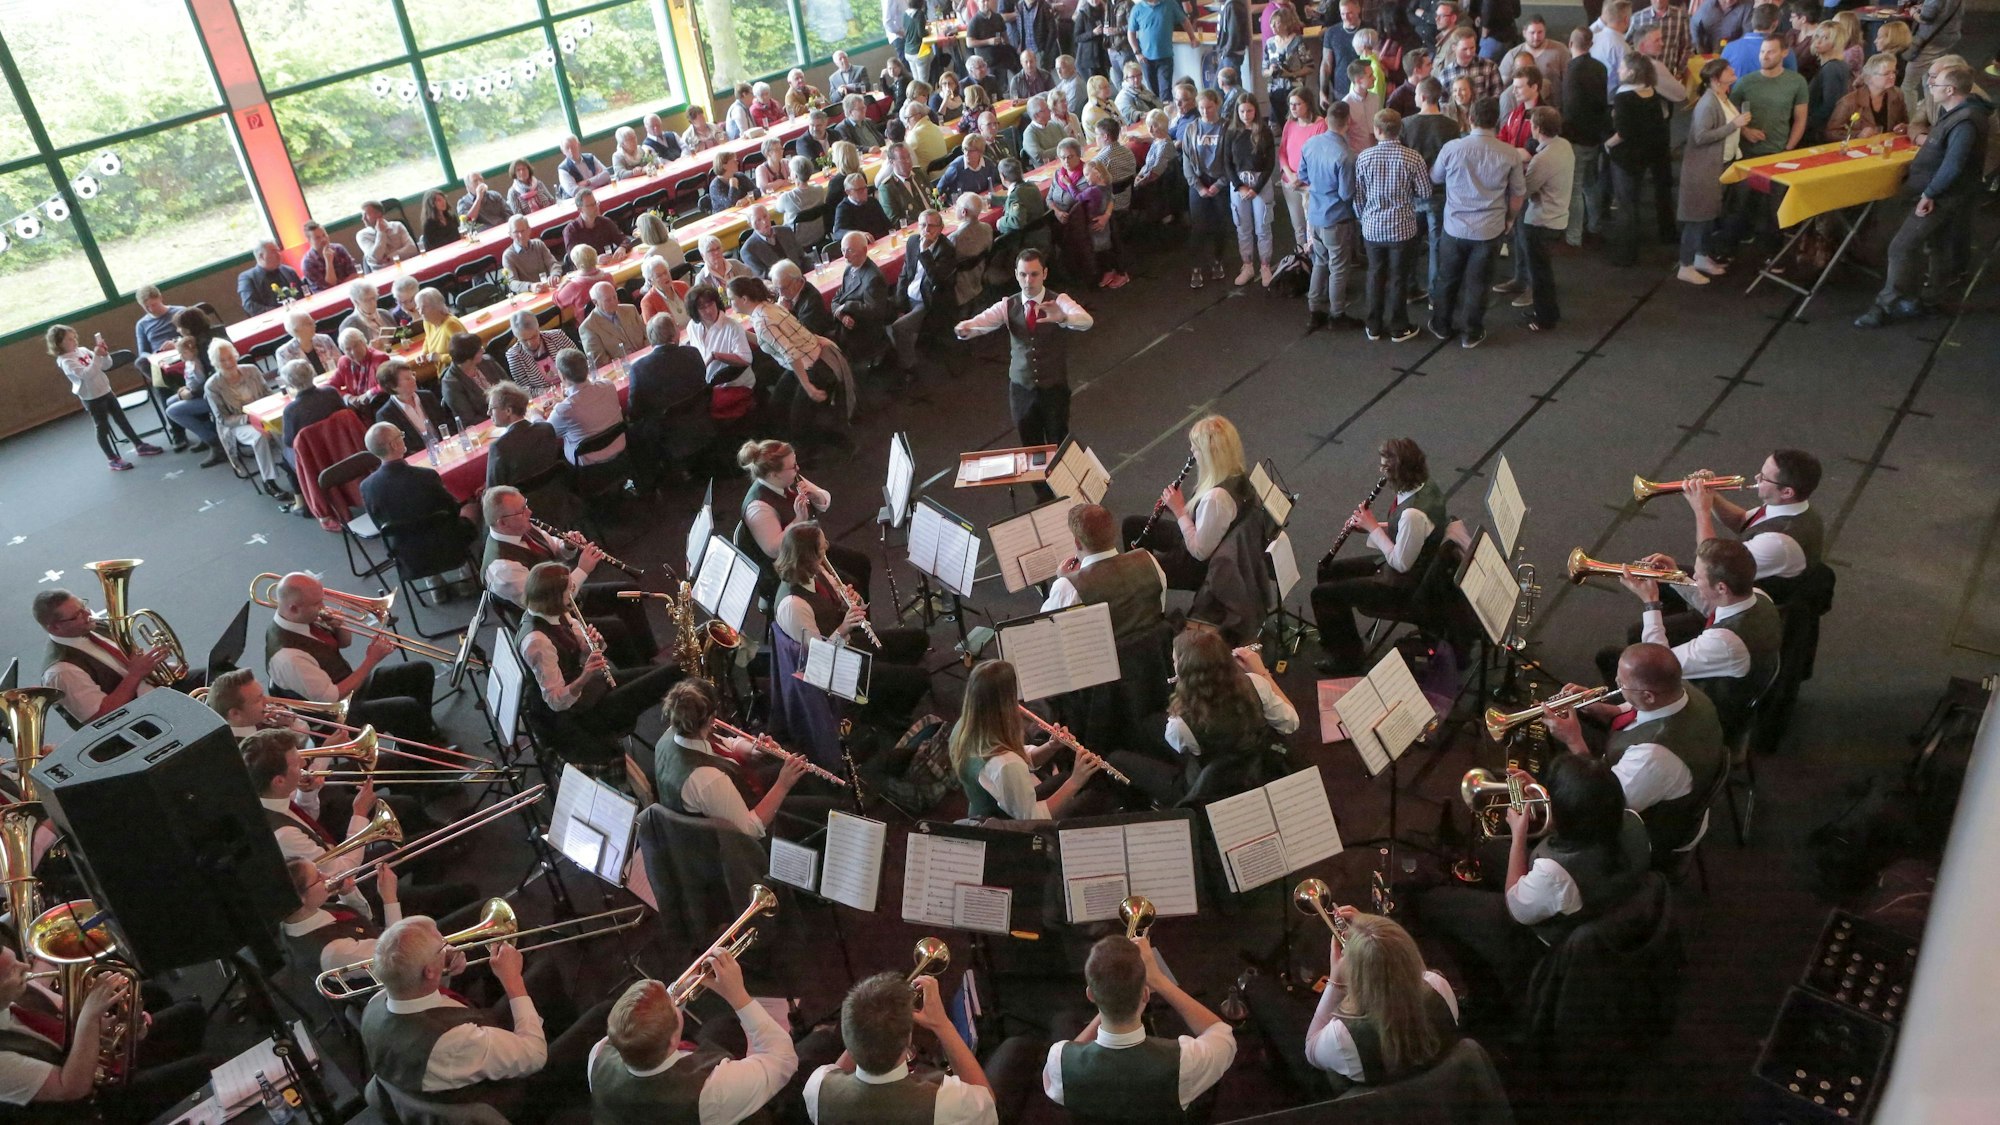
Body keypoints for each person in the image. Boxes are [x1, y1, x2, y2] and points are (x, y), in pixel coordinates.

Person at [1420, 752, 1652, 1007]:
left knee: (1432, 904)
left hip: (1540, 942)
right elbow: (1587, 830)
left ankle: (1483, 999)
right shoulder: (1632, 820)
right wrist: (1548, 797)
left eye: (1552, 799)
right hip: (1593, 897)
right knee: (1487, 853)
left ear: (1569, 817)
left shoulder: (1556, 872)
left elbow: (1514, 906)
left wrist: (1518, 835)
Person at [362, 914, 607, 1122]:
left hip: (453, 1058)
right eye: (442, 947)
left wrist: (444, 972)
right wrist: (513, 982)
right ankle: (573, 1087)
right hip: (515, 1093)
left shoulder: (376, 1004)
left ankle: (567, 1050)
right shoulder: (452, 1041)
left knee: (544, 973)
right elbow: (535, 1056)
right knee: (604, 1012)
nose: (448, 947)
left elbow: (427, 995)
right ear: (428, 972)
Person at [0, 933, 211, 1124]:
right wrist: (91, 1016)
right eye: (12, 971)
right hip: (93, 1107)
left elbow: (63, 1018)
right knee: (208, 1068)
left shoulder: (12, 996)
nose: (25, 967)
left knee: (190, 1015)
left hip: (92, 1065)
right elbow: (72, 1087)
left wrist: (115, 1022)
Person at [1246, 908, 1459, 1093]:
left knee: (1258, 989)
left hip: (1378, 1104)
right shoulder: (1439, 985)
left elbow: (1311, 1049)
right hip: (1437, 1083)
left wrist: (1336, 981)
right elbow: (1415, 973)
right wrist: (1369, 932)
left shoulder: (1342, 1036)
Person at [1549, 643, 1726, 858]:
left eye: (1621, 684)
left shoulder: (1652, 758)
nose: (1616, 686)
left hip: (1651, 831)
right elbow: (1638, 712)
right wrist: (1604, 709)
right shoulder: (1682, 690)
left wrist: (1573, 740)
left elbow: (1600, 801)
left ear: (1649, 696)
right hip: (1663, 777)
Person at [1042, 935, 1237, 1118]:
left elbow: (1050, 1079)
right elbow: (1222, 1034)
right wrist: (1160, 981)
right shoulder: (1184, 1061)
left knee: (1062, 1021)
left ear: (1091, 995)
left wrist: (1108, 1004)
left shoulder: (1059, 1060)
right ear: (1145, 994)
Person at [772, 521, 933, 743]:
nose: (827, 547)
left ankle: (882, 693)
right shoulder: (793, 605)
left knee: (918, 640)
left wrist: (849, 601)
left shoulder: (815, 570)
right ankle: (882, 716)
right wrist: (844, 627)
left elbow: (833, 605)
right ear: (808, 556)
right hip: (835, 669)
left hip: (847, 644)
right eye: (821, 548)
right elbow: (818, 661)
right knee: (920, 680)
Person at [1603, 537, 1781, 734]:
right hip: (1738, 670)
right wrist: (1674, 576)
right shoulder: (1758, 595)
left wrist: (1651, 602)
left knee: (1610, 658)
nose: (1693, 576)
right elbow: (1711, 606)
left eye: (1698, 576)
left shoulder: (1725, 642)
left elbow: (1658, 666)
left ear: (1722, 587)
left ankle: (1628, 714)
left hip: (1714, 712)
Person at [1856, 62, 1987, 327]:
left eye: (1936, 82)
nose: (1931, 85)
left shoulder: (1964, 121)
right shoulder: (1963, 113)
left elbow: (1954, 165)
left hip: (1941, 196)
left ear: (1950, 90)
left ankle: (1885, 305)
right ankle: (1928, 300)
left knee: (1901, 246)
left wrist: (1929, 194)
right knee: (1939, 247)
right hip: (1950, 194)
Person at [589, 964, 796, 1125]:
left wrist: (678, 991)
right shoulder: (711, 1091)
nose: (672, 1000)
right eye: (672, 1004)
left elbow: (643, 1022)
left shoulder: (599, 1055)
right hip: (705, 1108)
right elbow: (784, 1060)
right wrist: (738, 996)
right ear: (673, 1041)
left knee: (723, 1027)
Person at [1310, 437, 1447, 673]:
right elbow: (1406, 533)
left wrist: (1373, 527)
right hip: (1403, 565)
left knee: (1322, 595)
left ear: (1399, 472)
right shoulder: (1426, 486)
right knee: (1329, 572)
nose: (1380, 470)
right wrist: (1372, 525)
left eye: (1385, 467)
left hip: (1401, 587)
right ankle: (1339, 637)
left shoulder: (1413, 513)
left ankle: (1347, 659)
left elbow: (1401, 563)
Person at [516, 561, 681, 747]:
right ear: (554, 598)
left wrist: (594, 644)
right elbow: (555, 701)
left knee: (667, 672)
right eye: (568, 589)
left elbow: (585, 644)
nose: (574, 589)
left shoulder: (555, 612)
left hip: (592, 690)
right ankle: (688, 730)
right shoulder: (536, 642)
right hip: (580, 715)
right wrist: (585, 676)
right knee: (672, 674)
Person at [802, 972, 1002, 1124]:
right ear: (909, 1039)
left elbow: (840, 1066)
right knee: (1015, 1049)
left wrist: (865, 1024)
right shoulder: (946, 1103)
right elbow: (986, 1101)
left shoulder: (817, 1088)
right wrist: (941, 1024)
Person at [264, 570, 439, 741]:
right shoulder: (288, 657)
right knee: (405, 708)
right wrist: (371, 660)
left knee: (420, 671)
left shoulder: (300, 617)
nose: (323, 608)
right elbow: (332, 697)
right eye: (317, 603)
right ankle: (426, 760)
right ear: (294, 608)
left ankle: (423, 735)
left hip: (347, 688)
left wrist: (340, 625)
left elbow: (343, 643)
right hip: (333, 718)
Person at [955, 250, 1092, 448]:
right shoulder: (1008, 305)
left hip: (1053, 388)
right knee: (1031, 447)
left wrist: (1064, 318)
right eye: (1023, 275)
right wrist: (965, 329)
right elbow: (982, 322)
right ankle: (1039, 481)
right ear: (1016, 274)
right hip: (1021, 391)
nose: (1028, 281)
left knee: (1059, 443)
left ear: (1045, 274)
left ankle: (1061, 480)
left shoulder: (1059, 300)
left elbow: (1086, 321)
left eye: (1034, 274)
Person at [652, 679, 811, 837]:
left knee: (799, 770)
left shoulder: (676, 731)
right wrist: (783, 784)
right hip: (742, 838)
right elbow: (750, 830)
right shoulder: (707, 779)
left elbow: (725, 744)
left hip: (735, 786)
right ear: (710, 720)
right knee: (824, 807)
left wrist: (753, 750)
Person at [1427, 96, 1523, 348]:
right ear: (1498, 122)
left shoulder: (1452, 148)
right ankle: (1471, 332)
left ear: (1470, 119)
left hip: (1455, 226)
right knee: (1479, 284)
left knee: (1447, 279)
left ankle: (1441, 325)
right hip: (1489, 229)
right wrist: (1510, 220)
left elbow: (1435, 177)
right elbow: (1518, 193)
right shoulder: (1510, 154)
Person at [950, 660, 1101, 819]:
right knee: (1096, 795)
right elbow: (1032, 817)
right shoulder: (1006, 763)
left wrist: (1051, 746)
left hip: (993, 803)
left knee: (1064, 777)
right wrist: (1075, 782)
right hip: (1004, 823)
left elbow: (1020, 757)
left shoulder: (964, 728)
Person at [1123, 414, 1250, 591]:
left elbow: (1200, 551)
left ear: (1209, 454)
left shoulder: (1216, 498)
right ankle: (1148, 591)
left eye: (1196, 447)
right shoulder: (1237, 476)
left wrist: (1180, 510)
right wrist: (1178, 508)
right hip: (1202, 537)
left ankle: (1143, 595)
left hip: (1197, 566)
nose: (1191, 450)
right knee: (1131, 525)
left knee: (1135, 572)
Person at [31, 586, 176, 725]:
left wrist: (157, 668)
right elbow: (100, 717)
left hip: (156, 690)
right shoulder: (62, 671)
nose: (88, 614)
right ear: (56, 627)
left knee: (199, 681)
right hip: (140, 718)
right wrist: (135, 674)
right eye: (77, 615)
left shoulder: (93, 627)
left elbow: (128, 662)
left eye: (83, 606)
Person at [1352, 108, 1433, 341]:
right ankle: (1399, 326)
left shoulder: (1364, 157)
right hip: (1402, 229)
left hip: (1373, 227)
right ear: (1400, 130)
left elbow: (1358, 196)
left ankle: (1373, 325)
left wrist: (1363, 218)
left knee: (1375, 275)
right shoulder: (1413, 157)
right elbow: (1425, 192)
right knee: (1399, 277)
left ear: (1377, 131)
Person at [1678, 59, 1752, 286]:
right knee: (1698, 217)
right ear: (1715, 78)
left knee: (1709, 215)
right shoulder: (1708, 103)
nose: (1733, 71)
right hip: (1704, 169)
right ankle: (1685, 264)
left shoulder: (1722, 97)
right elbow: (1700, 136)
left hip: (1721, 164)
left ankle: (1700, 256)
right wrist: (1734, 125)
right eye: (1728, 70)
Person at [48, 324, 162, 471]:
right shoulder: (66, 361)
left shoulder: (82, 350)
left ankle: (139, 444)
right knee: (102, 427)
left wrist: (104, 354)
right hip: (92, 397)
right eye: (69, 339)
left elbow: (106, 365)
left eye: (74, 337)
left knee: (121, 419)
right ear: (59, 344)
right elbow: (87, 375)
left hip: (105, 390)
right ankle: (112, 458)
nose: (74, 341)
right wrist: (96, 355)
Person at [205, 340, 293, 504]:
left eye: (230, 357)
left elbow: (268, 394)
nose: (229, 362)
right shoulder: (212, 386)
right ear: (216, 363)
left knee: (281, 428)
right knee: (258, 437)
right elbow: (223, 419)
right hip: (237, 424)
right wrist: (250, 418)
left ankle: (294, 467)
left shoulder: (251, 370)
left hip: (263, 415)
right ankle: (269, 481)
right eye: (223, 360)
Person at [1300, 105, 1361, 330]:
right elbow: (1346, 194)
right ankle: (1337, 314)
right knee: (1338, 267)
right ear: (1348, 122)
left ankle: (1314, 309)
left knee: (1320, 261)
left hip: (1315, 214)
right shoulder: (1346, 155)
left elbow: (1303, 175)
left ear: (1326, 119)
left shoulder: (1310, 144)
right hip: (1336, 218)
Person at [1514, 107, 1572, 331]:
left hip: (1540, 221)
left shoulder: (1542, 159)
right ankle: (1545, 310)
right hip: (1558, 217)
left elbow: (1525, 190)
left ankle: (1545, 318)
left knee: (1539, 273)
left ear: (1536, 128)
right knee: (1544, 270)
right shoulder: (1564, 146)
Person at [888, 208, 960, 376]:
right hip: (909, 294)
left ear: (941, 228)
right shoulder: (913, 241)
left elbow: (937, 280)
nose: (926, 230)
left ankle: (909, 367)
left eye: (931, 226)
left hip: (929, 300)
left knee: (899, 328)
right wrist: (899, 304)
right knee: (882, 314)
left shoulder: (946, 249)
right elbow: (905, 274)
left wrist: (926, 252)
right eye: (922, 225)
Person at [1561, 28, 1611, 249]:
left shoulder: (1573, 70)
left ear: (1571, 42)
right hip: (1595, 136)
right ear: (1590, 44)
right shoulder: (1600, 68)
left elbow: (1570, 108)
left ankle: (1574, 237)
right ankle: (1595, 226)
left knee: (1575, 188)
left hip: (1577, 138)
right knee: (1591, 185)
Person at [1224, 95, 1280, 288]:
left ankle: (1265, 265)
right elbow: (1227, 162)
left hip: (1260, 183)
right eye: (1242, 111)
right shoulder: (1231, 132)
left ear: (1255, 110)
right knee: (1242, 227)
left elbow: (1270, 163)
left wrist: (1256, 188)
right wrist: (1239, 186)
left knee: (1263, 226)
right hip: (1239, 183)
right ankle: (1247, 265)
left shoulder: (1264, 131)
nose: (1245, 115)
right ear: (1237, 113)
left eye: (1249, 111)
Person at [1181, 88, 1231, 288]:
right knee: (1198, 227)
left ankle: (1218, 261)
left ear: (1217, 106)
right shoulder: (1192, 129)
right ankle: (1196, 267)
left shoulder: (1227, 128)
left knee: (1220, 225)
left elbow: (1231, 161)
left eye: (1209, 107)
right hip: (1199, 181)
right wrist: (1198, 186)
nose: (1205, 112)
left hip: (1220, 180)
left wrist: (1219, 185)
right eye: (1201, 108)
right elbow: (1186, 160)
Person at [545, 348, 628, 467]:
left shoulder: (564, 410)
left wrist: (535, 414)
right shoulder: (608, 385)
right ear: (587, 368)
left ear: (562, 376)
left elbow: (546, 433)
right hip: (620, 449)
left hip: (588, 466)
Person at [484, 381, 568, 494]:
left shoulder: (499, 447)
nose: (488, 413)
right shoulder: (546, 429)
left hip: (521, 506)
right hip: (557, 496)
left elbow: (493, 493)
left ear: (508, 411)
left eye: (492, 408)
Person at [1278, 89, 1328, 256]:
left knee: (1312, 226)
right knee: (1298, 226)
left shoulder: (1320, 124)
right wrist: (1290, 174)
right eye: (1291, 104)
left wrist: (1300, 177)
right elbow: (1282, 152)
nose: (1293, 108)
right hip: (1290, 182)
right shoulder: (1289, 124)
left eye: (1298, 104)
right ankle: (1302, 260)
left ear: (1308, 104)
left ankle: (1316, 262)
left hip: (1308, 185)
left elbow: (1320, 156)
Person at [1829, 52, 1911, 141]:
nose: (1892, 76)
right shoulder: (1849, 101)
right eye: (1886, 73)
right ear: (1870, 77)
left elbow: (1906, 122)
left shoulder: (1897, 94)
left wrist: (1904, 127)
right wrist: (1857, 134)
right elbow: (1831, 133)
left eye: (1894, 72)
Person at [280, 358, 347, 463]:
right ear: (312, 374)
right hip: (342, 444)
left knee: (285, 453)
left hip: (313, 456)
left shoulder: (291, 410)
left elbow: (289, 441)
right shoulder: (331, 392)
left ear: (291, 384)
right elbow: (346, 417)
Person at [576, 282, 646, 371]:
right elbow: (601, 363)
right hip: (623, 370)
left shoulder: (630, 310)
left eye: (615, 297)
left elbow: (647, 336)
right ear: (595, 302)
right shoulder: (588, 327)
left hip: (646, 360)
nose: (614, 302)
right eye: (608, 300)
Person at [1502, 16, 1569, 107]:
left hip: (1553, 107)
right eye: (1532, 33)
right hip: (1522, 108)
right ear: (1524, 33)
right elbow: (1503, 83)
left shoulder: (1560, 50)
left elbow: (1568, 81)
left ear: (1545, 32)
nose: (1536, 37)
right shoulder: (1513, 55)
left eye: (1540, 32)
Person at [1722, 3, 1797, 81]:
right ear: (1775, 24)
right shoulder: (1784, 51)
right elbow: (1792, 81)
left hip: (1735, 93)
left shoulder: (1729, 48)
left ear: (1752, 21)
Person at [505, 310, 574, 393]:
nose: (530, 343)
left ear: (538, 329)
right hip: (546, 398)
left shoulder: (557, 336)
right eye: (524, 340)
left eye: (533, 336)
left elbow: (579, 362)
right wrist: (551, 392)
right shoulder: (514, 355)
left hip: (572, 386)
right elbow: (524, 390)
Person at [1127, 0, 1184, 100]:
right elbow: (1131, 33)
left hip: (1165, 56)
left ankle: (1166, 113)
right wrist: (1137, 53)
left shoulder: (1170, 4)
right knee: (1152, 93)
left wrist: (1192, 38)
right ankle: (1156, 113)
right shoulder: (1137, 9)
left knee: (1165, 91)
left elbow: (1184, 20)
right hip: (1145, 59)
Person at [439, 332, 499, 428]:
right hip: (485, 427)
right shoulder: (451, 383)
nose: (483, 350)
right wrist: (499, 418)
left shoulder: (487, 362)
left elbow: (510, 386)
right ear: (468, 358)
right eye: (479, 350)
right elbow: (469, 420)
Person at [238, 237, 303, 314]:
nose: (278, 254)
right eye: (273, 252)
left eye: (278, 251)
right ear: (261, 256)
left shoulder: (289, 271)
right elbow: (250, 306)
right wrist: (281, 311)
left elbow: (303, 292)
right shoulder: (248, 278)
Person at [1439, 28, 1503, 104]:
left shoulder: (1489, 66)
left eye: (1472, 48)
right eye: (1464, 49)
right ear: (1454, 48)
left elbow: (1498, 94)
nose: (1469, 53)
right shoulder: (1445, 73)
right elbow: (1443, 102)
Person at [356, 200, 419, 271]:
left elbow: (412, 249)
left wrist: (389, 258)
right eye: (362, 215)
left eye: (366, 215)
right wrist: (381, 232)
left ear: (379, 214)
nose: (363, 218)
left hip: (406, 267)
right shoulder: (362, 235)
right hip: (382, 273)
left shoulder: (397, 226)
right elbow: (376, 257)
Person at [299, 220, 357, 293]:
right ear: (309, 241)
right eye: (317, 238)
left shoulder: (339, 249)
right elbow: (330, 288)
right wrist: (329, 262)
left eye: (324, 235)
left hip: (351, 291)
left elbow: (354, 274)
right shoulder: (308, 263)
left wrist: (340, 287)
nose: (323, 239)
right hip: (328, 299)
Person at [565, 189, 627, 258]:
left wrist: (622, 247)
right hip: (587, 267)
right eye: (590, 205)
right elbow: (574, 258)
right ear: (580, 209)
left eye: (595, 203)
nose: (596, 207)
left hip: (610, 264)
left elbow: (624, 239)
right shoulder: (571, 230)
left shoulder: (605, 222)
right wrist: (595, 260)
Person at [831, 172, 893, 241]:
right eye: (860, 190)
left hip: (882, 242)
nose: (864, 192)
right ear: (848, 192)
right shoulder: (843, 208)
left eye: (865, 188)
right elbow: (838, 232)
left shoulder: (872, 202)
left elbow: (888, 225)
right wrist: (858, 234)